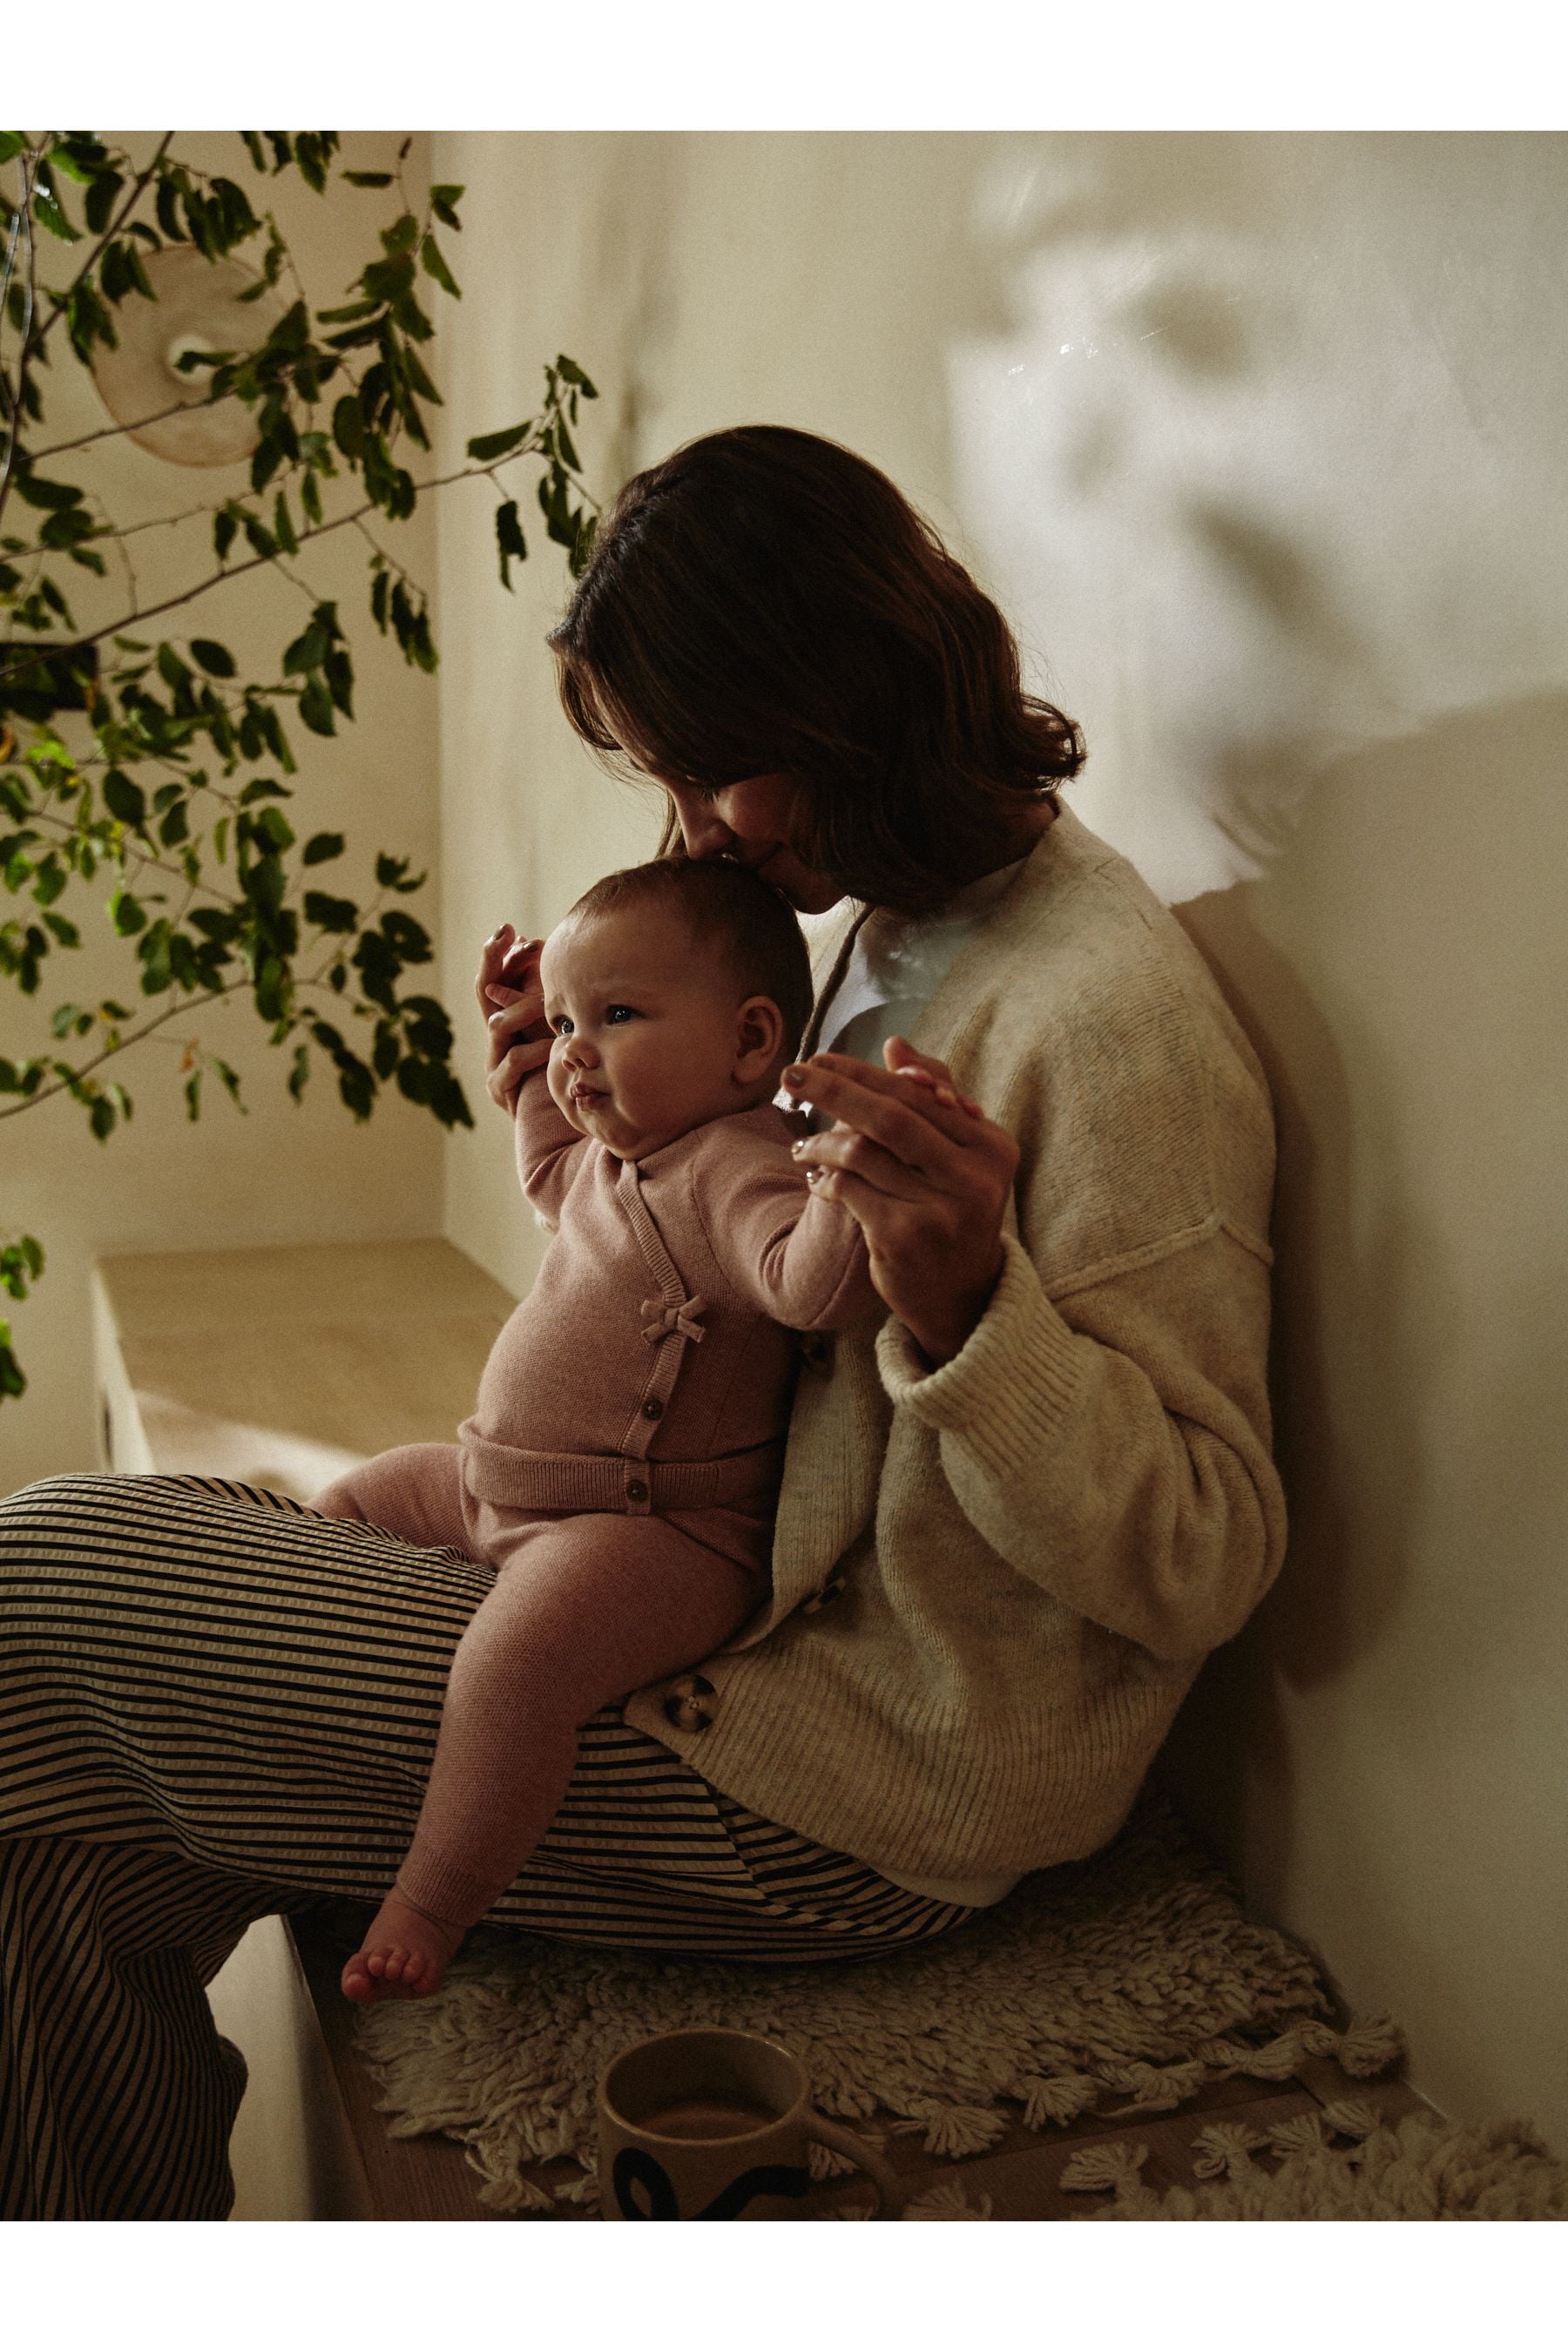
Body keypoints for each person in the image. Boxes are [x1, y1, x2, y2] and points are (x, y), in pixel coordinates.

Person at [0, 422, 1285, 2220]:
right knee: (67, 1855)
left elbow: (1205, 1559)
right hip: (690, 1610)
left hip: (843, 1776)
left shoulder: (1109, 1018)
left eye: (710, 776)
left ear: (845, 704)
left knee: (42, 1579)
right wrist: (581, 1096)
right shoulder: (889, 928)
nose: (693, 832)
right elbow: (698, 1276)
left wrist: (972, 1310)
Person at [309, 857, 881, 2003]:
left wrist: (851, 1186)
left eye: (614, 1017)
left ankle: (434, 1899)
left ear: (752, 1042)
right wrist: (525, 1041)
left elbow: (808, 1289)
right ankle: (322, 1753)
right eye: (569, 1019)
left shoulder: (736, 1163)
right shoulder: (610, 1155)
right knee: (344, 1504)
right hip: (491, 1487)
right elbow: (546, 1162)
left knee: (514, 1665)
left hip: (652, 1535)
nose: (577, 1050)